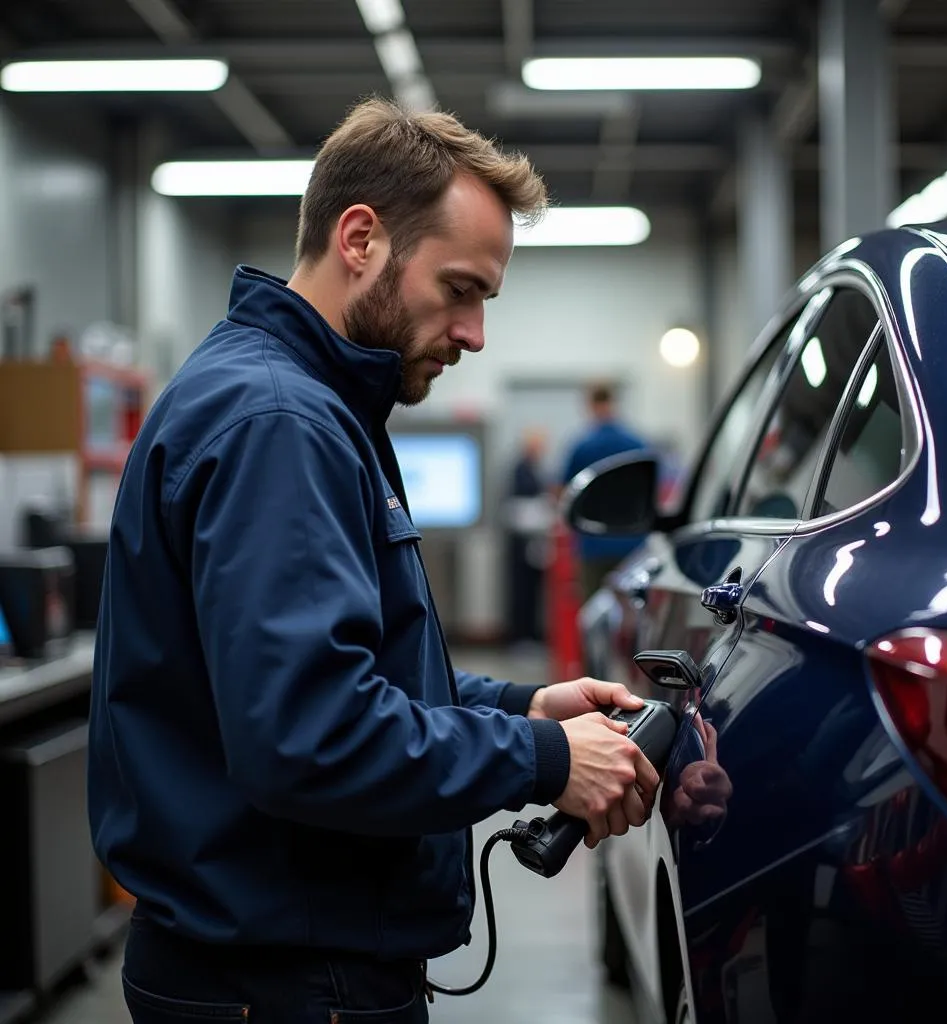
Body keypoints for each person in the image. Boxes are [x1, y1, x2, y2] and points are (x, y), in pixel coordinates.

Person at [88, 98, 660, 1024]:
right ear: (361, 238)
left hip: (278, 961)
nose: (474, 333)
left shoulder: (302, 403)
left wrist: (520, 704)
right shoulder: (280, 424)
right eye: (461, 289)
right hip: (285, 982)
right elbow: (308, 736)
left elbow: (349, 673)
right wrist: (543, 758)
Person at [562, 382, 648, 599]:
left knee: (594, 611)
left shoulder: (582, 447)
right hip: (632, 543)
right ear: (613, 402)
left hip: (594, 544)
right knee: (632, 615)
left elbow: (565, 493)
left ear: (590, 405)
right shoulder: (636, 443)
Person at [504, 429, 552, 645]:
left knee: (533, 592)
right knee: (522, 591)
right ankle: (521, 636)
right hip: (522, 542)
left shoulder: (533, 469)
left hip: (533, 541)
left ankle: (531, 635)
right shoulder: (520, 471)